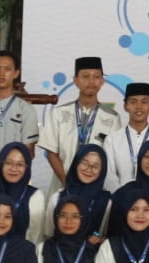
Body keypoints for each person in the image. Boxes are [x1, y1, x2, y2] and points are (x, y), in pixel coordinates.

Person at [42, 56, 121, 187]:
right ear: (76, 80)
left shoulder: (112, 118)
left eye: (96, 76)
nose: (91, 81)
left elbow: (112, 159)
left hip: (97, 189)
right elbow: (52, 153)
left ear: (102, 81)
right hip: (62, 187)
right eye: (85, 76)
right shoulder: (59, 113)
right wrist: (67, 183)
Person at [0, 141, 45, 245]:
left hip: (24, 254)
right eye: (8, 163)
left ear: (27, 167)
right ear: (1, 164)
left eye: (20, 164)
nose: (14, 168)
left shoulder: (36, 197)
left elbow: (36, 240)